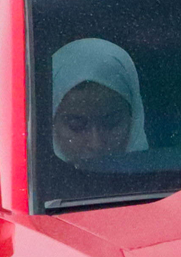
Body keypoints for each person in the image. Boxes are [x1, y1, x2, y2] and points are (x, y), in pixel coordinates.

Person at [48, 37, 147, 166]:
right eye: (76, 125)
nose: (96, 144)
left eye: (112, 122)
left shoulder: (166, 181)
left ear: (134, 117)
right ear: (51, 123)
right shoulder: (22, 184)